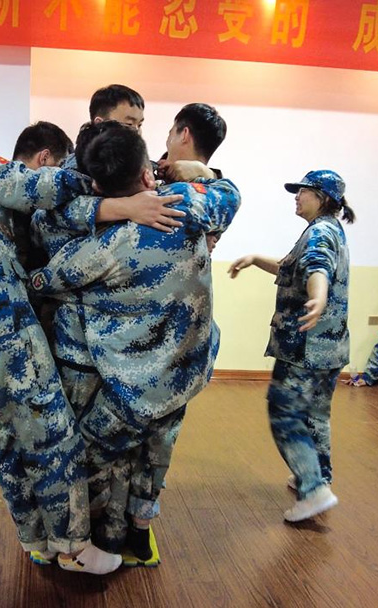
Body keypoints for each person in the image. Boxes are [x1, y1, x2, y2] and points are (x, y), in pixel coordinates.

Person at [0, 124, 183, 575]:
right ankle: (74, 549)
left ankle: (37, 540)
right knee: (54, 438)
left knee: (5, 445)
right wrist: (105, 187)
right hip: (2, 323)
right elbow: (33, 188)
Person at [28, 122, 240, 561]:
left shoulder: (99, 249)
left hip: (130, 389)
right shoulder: (186, 206)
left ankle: (94, 543)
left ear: (96, 185)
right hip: (187, 370)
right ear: (147, 174)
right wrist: (199, 172)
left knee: (87, 454)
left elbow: (45, 272)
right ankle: (139, 530)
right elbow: (230, 195)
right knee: (157, 451)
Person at [229, 169, 356, 522]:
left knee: (284, 412)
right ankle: (319, 478)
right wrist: (255, 259)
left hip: (305, 345)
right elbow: (292, 267)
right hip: (329, 347)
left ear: (323, 197)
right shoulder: (330, 230)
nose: (297, 197)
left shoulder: (319, 233)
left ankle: (312, 489)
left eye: (303, 191)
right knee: (315, 414)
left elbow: (318, 269)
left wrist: (318, 297)